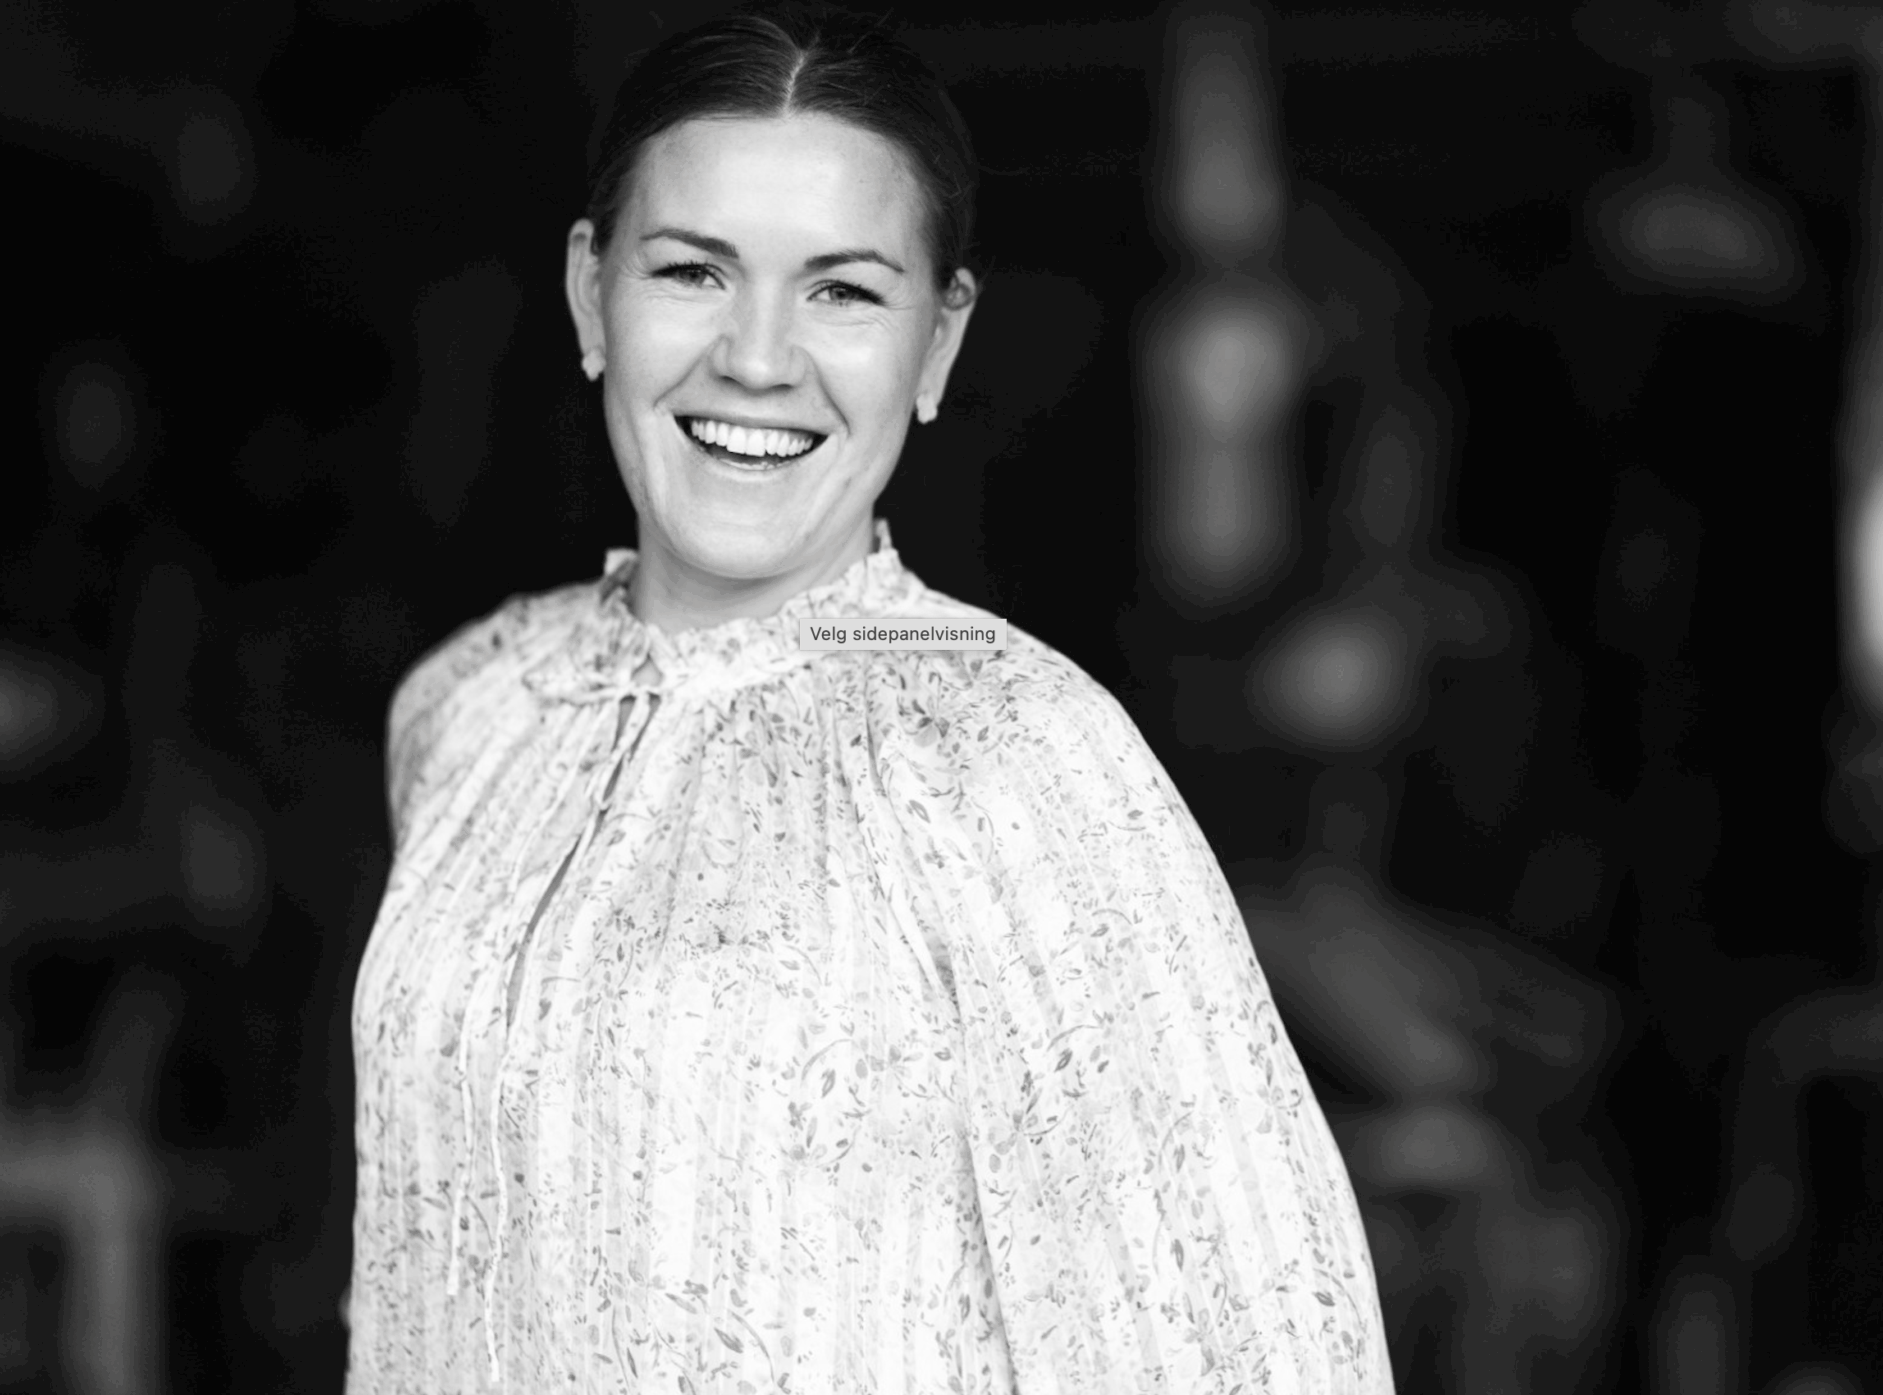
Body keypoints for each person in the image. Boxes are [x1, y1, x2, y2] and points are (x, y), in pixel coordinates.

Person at [345, 2, 1396, 1391]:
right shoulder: (469, 710)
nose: (757, 357)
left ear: (939, 344)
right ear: (591, 295)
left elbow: (1252, 1351)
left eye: (842, 291)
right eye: (691, 271)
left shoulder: (1024, 759)